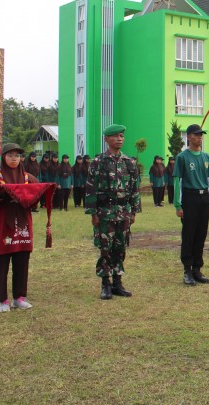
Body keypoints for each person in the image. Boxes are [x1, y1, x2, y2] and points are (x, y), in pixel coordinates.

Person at [0, 144, 55, 312]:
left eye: (17, 155)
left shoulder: (28, 177)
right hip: (2, 224)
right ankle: (2, 300)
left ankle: (19, 297)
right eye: (10, 155)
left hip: (22, 224)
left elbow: (37, 195)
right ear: (3, 158)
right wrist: (4, 195)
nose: (14, 158)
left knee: (22, 259)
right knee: (1, 260)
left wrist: (30, 197)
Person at [85, 125, 141, 300]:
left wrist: (134, 212)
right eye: (115, 136)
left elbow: (134, 188)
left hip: (123, 211)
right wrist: (93, 213)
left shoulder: (129, 163)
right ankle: (105, 284)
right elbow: (90, 189)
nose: (119, 139)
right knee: (105, 248)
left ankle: (118, 282)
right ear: (106, 139)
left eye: (122, 136)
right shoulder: (98, 162)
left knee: (120, 247)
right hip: (104, 212)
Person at [173, 124, 209, 286]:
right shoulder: (182, 157)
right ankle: (187, 270)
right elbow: (178, 181)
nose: (200, 137)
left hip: (204, 198)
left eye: (201, 135)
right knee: (189, 235)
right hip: (189, 198)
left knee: (201, 234)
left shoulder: (207, 158)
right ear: (188, 136)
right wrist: (178, 205)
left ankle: (197, 269)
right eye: (196, 135)